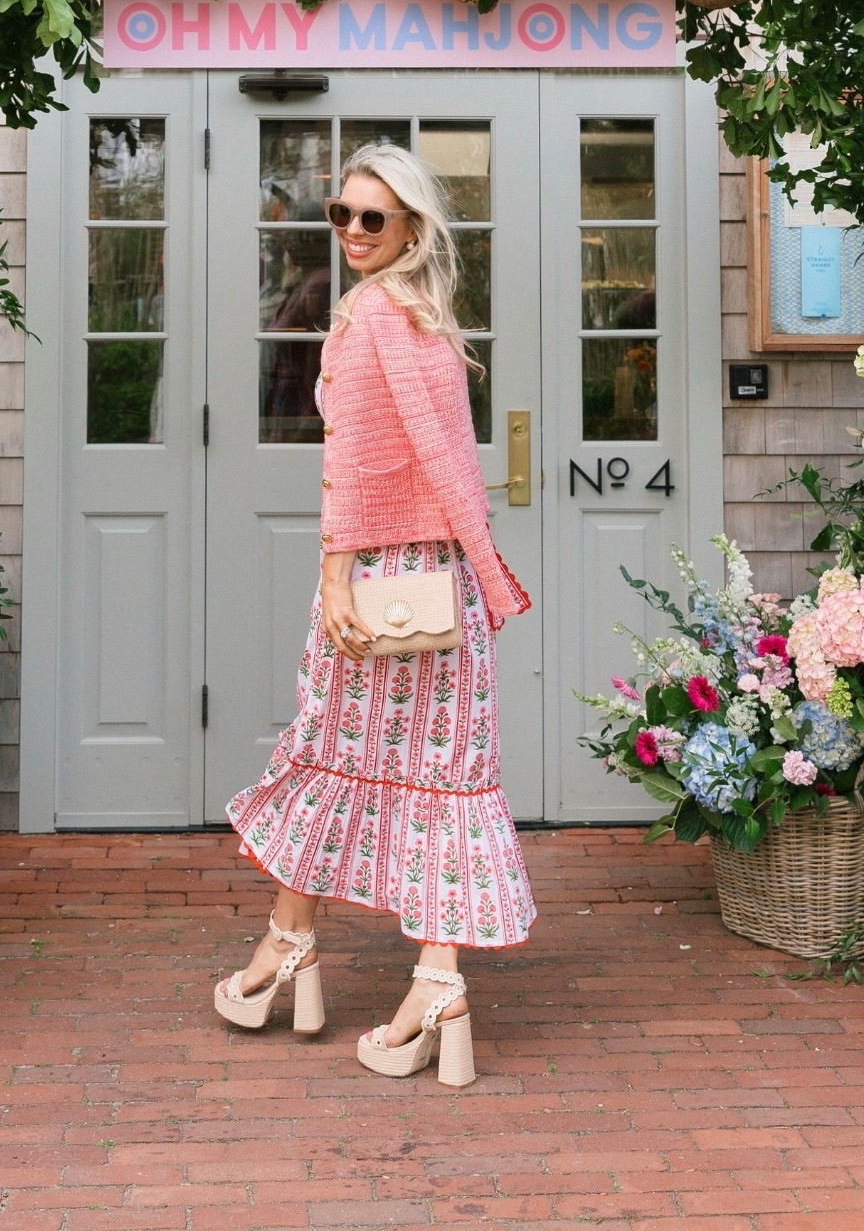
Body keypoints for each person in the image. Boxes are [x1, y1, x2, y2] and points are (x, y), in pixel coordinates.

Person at [215, 142, 534, 1086]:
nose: (353, 233)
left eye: (372, 218)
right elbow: (431, 463)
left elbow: (354, 463)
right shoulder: (428, 322)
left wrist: (336, 576)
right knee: (438, 775)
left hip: (375, 581)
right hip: (442, 591)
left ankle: (290, 947)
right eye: (340, 215)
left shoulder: (367, 322)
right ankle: (430, 982)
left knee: (333, 756)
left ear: (412, 228)